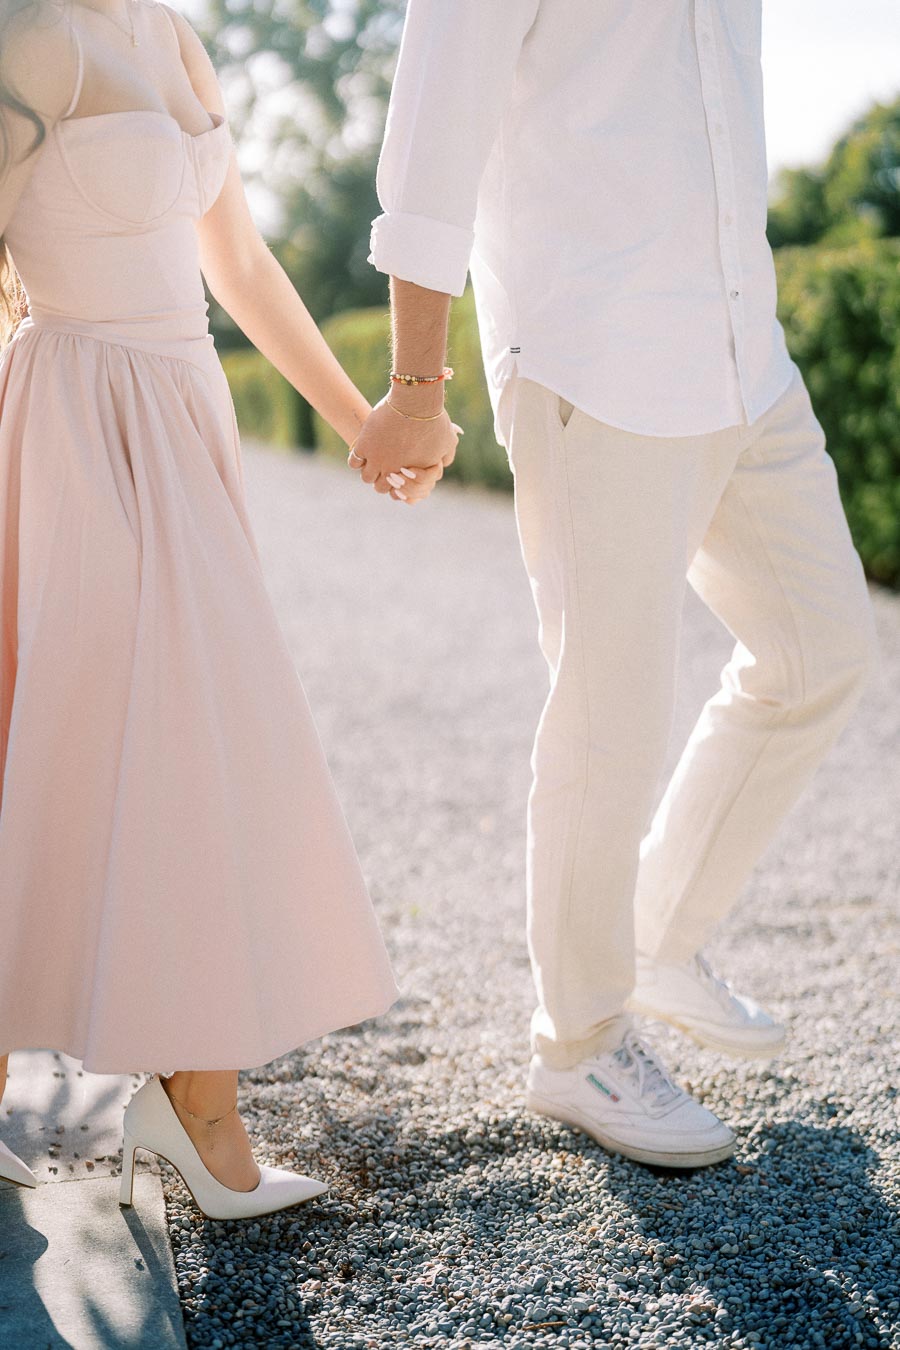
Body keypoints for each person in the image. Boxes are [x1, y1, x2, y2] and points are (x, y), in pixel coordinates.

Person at [352, 0, 880, 1169]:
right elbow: (433, 130)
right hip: (597, 343)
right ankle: (578, 1038)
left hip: (746, 346)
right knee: (610, 716)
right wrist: (416, 382)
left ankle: (657, 936)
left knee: (821, 648)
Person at [0, 0, 448, 1219]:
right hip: (75, 420)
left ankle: (199, 1101)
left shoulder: (175, 36)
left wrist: (366, 419)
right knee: (46, 736)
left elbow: (238, 263)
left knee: (197, 742)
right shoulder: (31, 35)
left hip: (182, 412)